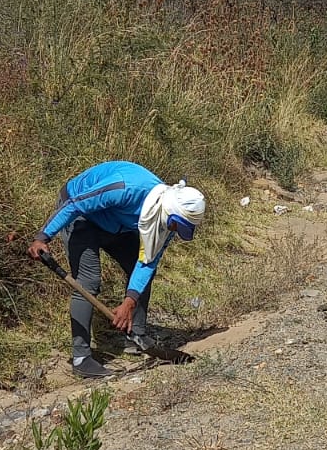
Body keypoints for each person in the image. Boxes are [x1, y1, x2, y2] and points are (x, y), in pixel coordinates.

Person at [28, 162, 206, 379]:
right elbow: (76, 204)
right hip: (82, 215)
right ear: (169, 210)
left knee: (138, 270)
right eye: (176, 224)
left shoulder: (164, 222)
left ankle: (136, 336)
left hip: (118, 223)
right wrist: (43, 237)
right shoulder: (125, 188)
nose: (174, 230)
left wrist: (129, 302)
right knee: (88, 281)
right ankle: (81, 358)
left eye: (180, 228)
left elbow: (147, 262)